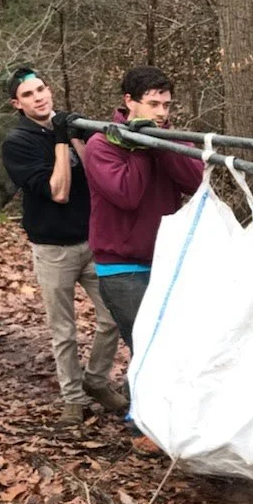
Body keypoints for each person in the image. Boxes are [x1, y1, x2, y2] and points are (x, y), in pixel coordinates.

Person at [1, 66, 127, 425]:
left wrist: (74, 135)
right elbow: (59, 191)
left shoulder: (70, 126)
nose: (38, 97)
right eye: (28, 94)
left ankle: (96, 381)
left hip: (92, 241)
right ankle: (73, 398)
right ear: (17, 103)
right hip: (53, 249)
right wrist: (58, 139)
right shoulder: (18, 142)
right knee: (64, 330)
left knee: (113, 316)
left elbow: (96, 175)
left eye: (41, 89)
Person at [81, 66, 203, 352]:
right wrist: (140, 148)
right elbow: (127, 195)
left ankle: (139, 396)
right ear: (129, 101)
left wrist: (160, 144)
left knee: (173, 351)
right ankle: (137, 397)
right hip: (122, 268)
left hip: (166, 262)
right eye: (153, 104)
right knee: (150, 352)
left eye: (166, 105)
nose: (161, 112)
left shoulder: (170, 137)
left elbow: (196, 181)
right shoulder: (101, 144)